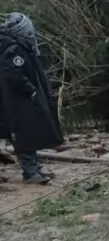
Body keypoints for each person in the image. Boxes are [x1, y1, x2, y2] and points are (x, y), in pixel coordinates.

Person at [0, 13, 64, 184]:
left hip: (21, 100)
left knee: (30, 133)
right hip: (16, 101)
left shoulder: (18, 45)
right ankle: (30, 173)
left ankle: (34, 167)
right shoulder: (13, 48)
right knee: (23, 135)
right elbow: (13, 74)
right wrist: (30, 90)